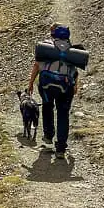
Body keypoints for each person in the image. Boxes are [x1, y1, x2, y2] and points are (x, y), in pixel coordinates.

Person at [27, 24, 79, 155]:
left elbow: (37, 65)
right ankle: (61, 148)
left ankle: (48, 135)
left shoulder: (46, 47)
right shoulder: (72, 51)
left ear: (53, 35)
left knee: (47, 106)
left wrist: (31, 82)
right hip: (66, 87)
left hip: (46, 85)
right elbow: (74, 71)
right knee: (63, 114)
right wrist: (75, 85)